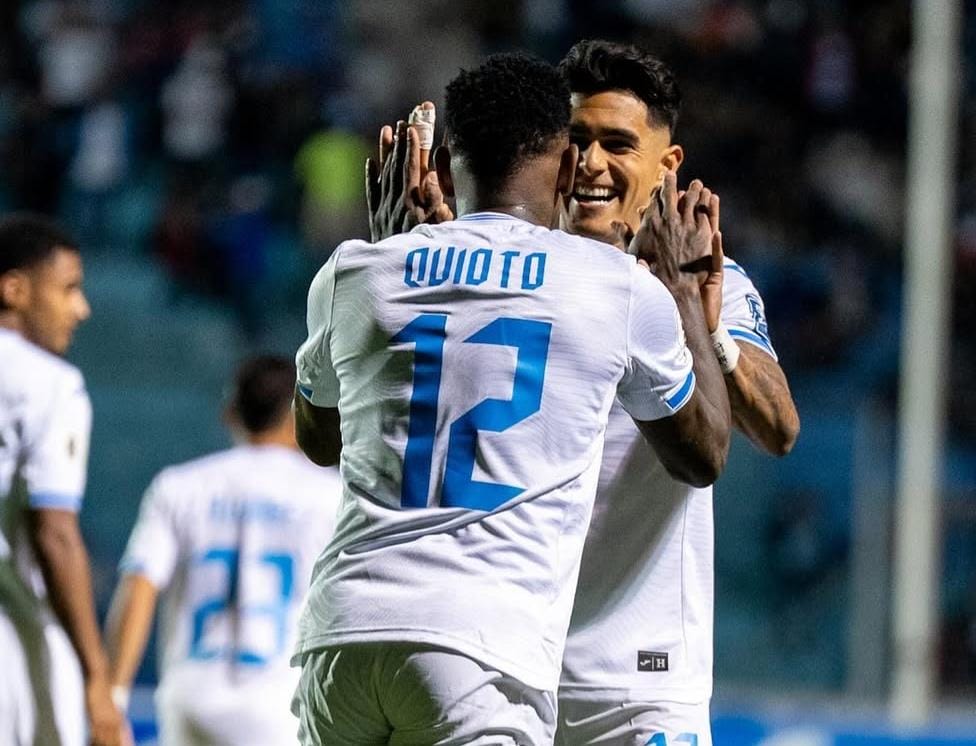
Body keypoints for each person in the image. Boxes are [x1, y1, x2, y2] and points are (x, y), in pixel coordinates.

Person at [292, 52, 732, 745]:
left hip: (341, 638)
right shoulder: (613, 285)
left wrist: (400, 276)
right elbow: (702, 455)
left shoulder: (358, 269)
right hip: (479, 645)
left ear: (444, 164)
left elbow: (320, 441)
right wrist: (680, 290)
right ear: (566, 162)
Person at [553, 41, 801, 745]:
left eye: (616, 144)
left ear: (667, 166)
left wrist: (705, 323)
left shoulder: (713, 284)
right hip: (512, 665)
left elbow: (778, 427)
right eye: (575, 140)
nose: (590, 163)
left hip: (642, 685)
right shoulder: (517, 276)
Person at [104, 355, 339, 746]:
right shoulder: (330, 495)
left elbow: (140, 586)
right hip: (279, 706)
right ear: (298, 415)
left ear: (230, 412)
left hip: (191, 700)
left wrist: (113, 695)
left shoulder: (178, 486)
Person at [0, 213, 126, 746]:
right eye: (69, 289)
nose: (81, 308)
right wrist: (98, 677)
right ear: (14, 289)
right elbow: (54, 533)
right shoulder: (48, 383)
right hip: (14, 642)